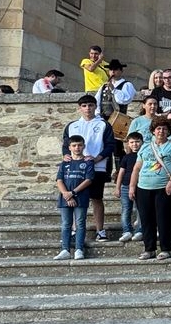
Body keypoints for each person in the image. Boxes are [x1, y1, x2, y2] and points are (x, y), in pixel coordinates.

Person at [128, 116, 171, 261]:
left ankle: (166, 248)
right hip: (143, 187)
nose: (161, 131)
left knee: (164, 219)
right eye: (158, 128)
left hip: (163, 187)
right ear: (153, 131)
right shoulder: (145, 147)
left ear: (169, 131)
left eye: (164, 129)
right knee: (146, 220)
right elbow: (136, 168)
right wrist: (132, 186)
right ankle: (149, 249)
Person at [62, 94, 116, 242]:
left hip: (97, 167)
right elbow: (66, 145)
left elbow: (110, 145)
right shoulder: (72, 126)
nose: (87, 108)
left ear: (95, 107)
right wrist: (66, 155)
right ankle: (75, 230)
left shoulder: (103, 124)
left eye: (90, 105)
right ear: (79, 108)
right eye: (84, 106)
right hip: (75, 168)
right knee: (75, 197)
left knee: (96, 198)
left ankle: (100, 231)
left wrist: (97, 158)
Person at [54, 135, 94, 261]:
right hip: (65, 198)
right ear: (70, 147)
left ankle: (79, 249)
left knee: (80, 223)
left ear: (83, 146)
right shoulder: (65, 163)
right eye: (74, 145)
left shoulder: (88, 162)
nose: (77, 148)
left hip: (81, 197)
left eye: (80, 145)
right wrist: (66, 194)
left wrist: (73, 192)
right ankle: (65, 250)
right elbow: (59, 180)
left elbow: (88, 180)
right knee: (66, 224)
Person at [113, 132, 144, 243]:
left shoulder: (144, 155)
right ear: (128, 144)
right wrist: (118, 187)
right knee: (126, 209)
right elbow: (121, 173)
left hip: (141, 186)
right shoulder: (126, 157)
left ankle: (140, 230)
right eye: (132, 142)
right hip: (126, 186)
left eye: (137, 142)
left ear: (142, 142)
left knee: (141, 209)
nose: (135, 144)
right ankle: (126, 230)